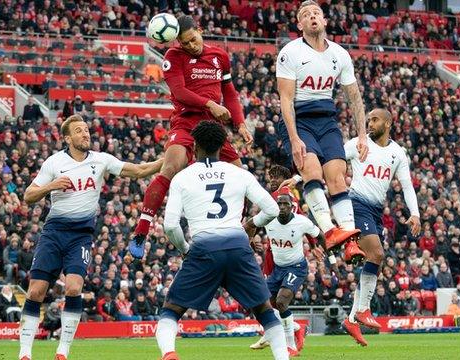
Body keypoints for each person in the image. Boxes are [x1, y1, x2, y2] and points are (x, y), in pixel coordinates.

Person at [18, 114, 163, 360]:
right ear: (67, 137)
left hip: (81, 235)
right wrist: (50, 187)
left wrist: (167, 159)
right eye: (79, 131)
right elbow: (29, 196)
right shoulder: (54, 163)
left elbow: (139, 171)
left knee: (74, 288)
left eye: (86, 130)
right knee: (35, 292)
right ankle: (25, 352)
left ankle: (62, 351)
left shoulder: (101, 160)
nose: (85, 134)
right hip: (53, 233)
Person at [155, 121, 288, 360]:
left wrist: (185, 249)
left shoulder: (182, 178)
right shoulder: (240, 174)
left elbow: (170, 225)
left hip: (203, 247)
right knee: (264, 310)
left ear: (194, 146)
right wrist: (250, 224)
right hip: (237, 244)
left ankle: (169, 353)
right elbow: (272, 209)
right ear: (223, 146)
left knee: (171, 310)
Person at [132, 15, 253, 245]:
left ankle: (236, 229)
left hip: (213, 127)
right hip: (186, 121)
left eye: (192, 40)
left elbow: (229, 93)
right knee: (171, 166)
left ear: (200, 30)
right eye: (184, 43)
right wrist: (210, 104)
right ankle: (141, 230)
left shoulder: (220, 56)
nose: (190, 46)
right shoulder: (173, 56)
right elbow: (179, 92)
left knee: (243, 178)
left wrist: (240, 125)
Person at [276, 0, 369, 252]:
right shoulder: (290, 52)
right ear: (300, 24)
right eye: (306, 14)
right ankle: (329, 231)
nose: (312, 16)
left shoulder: (340, 54)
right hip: (299, 118)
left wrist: (362, 134)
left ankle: (350, 242)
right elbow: (285, 98)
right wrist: (294, 138)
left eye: (316, 13)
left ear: (325, 21)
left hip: (327, 120)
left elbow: (354, 96)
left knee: (338, 178)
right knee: (313, 172)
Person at [341, 109, 420, 347]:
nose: (370, 124)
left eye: (374, 120)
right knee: (376, 253)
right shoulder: (358, 144)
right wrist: (302, 179)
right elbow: (331, 160)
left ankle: (352, 319)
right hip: (356, 203)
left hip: (375, 211)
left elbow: (406, 186)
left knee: (372, 261)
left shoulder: (397, 153)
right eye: (368, 120)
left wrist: (415, 213)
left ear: (388, 123)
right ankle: (363, 310)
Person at [249, 193, 326, 355]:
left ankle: (290, 345)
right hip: (278, 269)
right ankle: (297, 328)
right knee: (260, 304)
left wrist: (327, 256)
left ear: (291, 207)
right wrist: (252, 239)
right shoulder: (268, 219)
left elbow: (319, 235)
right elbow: (250, 224)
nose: (282, 207)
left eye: (285, 204)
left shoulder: (301, 222)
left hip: (296, 267)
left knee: (281, 302)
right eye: (279, 204)